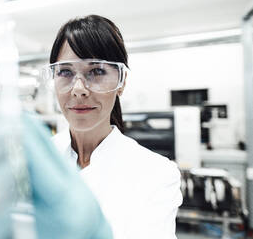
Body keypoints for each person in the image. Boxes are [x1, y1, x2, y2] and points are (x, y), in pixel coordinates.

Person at [44, 14, 183, 238]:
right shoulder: (39, 160)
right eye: (66, 72)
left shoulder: (156, 173)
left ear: (122, 82)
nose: (79, 89)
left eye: (97, 71)